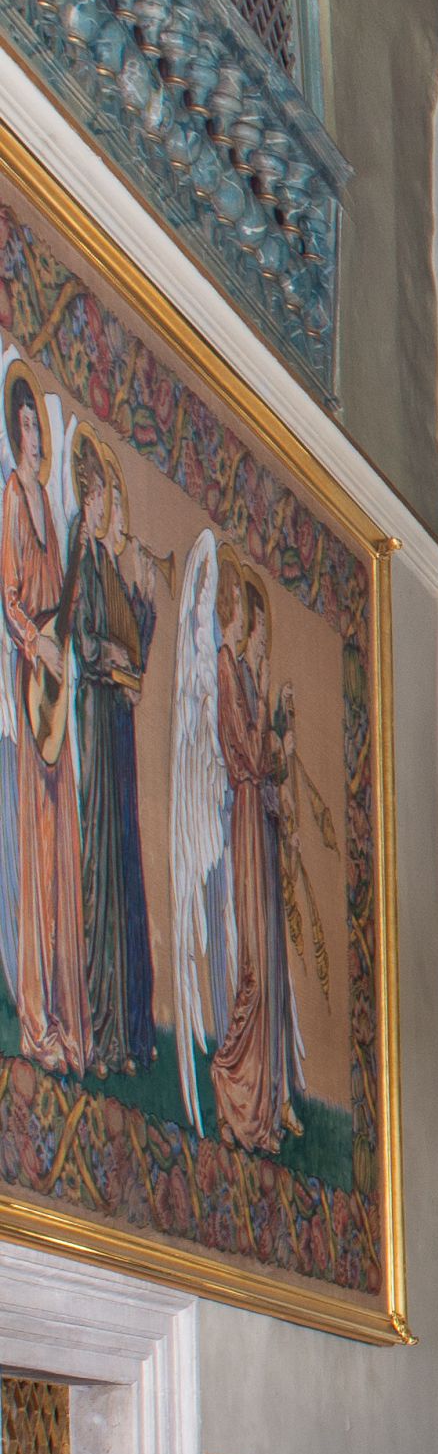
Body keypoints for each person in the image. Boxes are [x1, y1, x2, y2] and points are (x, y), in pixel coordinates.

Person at [0, 374, 84, 1075]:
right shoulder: (10, 497)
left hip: (58, 683)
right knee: (35, 834)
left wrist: (64, 639)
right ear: (13, 430)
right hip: (31, 679)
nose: (33, 435)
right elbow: (9, 596)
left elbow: (59, 593)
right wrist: (36, 642)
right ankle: (34, 1017)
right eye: (24, 425)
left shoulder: (51, 512)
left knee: (61, 841)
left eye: (37, 425)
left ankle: (59, 1008)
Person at [65, 435, 157, 1077]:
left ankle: (128, 1033)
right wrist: (114, 657)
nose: (105, 507)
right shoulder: (83, 556)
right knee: (101, 863)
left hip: (117, 724)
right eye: (102, 495)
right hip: (96, 720)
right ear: (89, 496)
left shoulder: (108, 565)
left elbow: (130, 646)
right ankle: (102, 1031)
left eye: (109, 497)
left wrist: (143, 610)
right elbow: (82, 636)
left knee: (125, 866)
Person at [208, 572, 300, 1153]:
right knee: (254, 969)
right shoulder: (227, 667)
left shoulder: (245, 673)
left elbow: (267, 755)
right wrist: (271, 724)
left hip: (259, 820)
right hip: (245, 818)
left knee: (268, 966)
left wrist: (280, 730)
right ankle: (229, 1077)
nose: (255, 628)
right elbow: (246, 751)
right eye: (250, 614)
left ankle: (262, 1108)